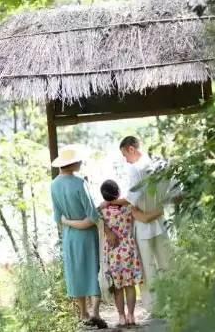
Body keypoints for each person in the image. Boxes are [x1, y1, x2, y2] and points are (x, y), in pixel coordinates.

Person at [105, 136, 171, 312]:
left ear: (131, 149)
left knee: (148, 267)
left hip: (143, 226)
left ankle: (155, 306)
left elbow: (131, 199)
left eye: (125, 155)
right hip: (160, 220)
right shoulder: (160, 164)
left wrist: (109, 203)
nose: (125, 160)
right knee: (166, 264)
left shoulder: (136, 169)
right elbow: (173, 195)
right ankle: (174, 301)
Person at [50, 145, 107, 329]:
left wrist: (69, 223)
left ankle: (83, 314)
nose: (81, 163)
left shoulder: (54, 184)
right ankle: (95, 313)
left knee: (75, 272)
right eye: (79, 160)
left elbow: (59, 218)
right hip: (87, 236)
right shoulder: (80, 182)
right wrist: (79, 223)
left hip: (69, 237)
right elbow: (92, 217)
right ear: (72, 163)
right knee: (92, 270)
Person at [98, 179, 162, 327]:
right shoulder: (128, 208)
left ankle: (121, 317)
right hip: (128, 250)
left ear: (104, 196)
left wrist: (104, 205)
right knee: (130, 285)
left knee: (118, 287)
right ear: (119, 193)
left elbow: (92, 213)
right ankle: (131, 316)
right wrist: (160, 210)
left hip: (113, 253)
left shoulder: (102, 212)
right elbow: (143, 218)